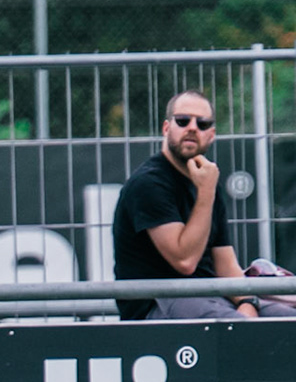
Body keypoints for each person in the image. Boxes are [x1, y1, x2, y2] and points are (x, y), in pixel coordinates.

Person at [112, 90, 295, 320]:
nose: (192, 127)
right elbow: (185, 262)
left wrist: (247, 301)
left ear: (211, 135)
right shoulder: (149, 184)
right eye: (183, 121)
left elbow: (225, 264)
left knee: (285, 320)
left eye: (202, 123)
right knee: (236, 328)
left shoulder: (206, 180)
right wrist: (206, 192)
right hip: (158, 303)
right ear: (166, 128)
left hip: (210, 297)